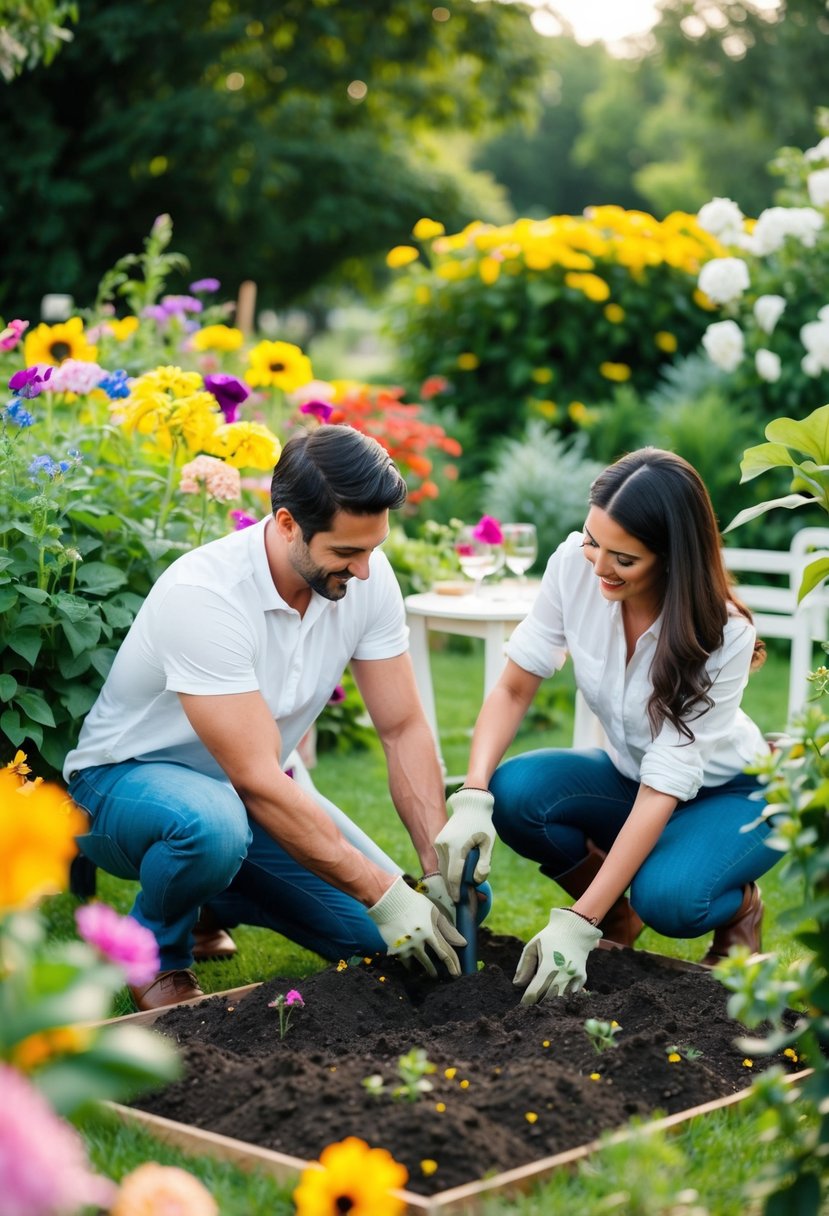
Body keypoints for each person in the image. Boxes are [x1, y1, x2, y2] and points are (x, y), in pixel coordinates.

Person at [64, 425, 466, 1010]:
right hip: (121, 789)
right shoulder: (207, 596)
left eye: (373, 549)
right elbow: (255, 776)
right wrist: (384, 891)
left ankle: (212, 899)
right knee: (212, 827)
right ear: (286, 525)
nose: (363, 571)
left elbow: (401, 727)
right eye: (347, 552)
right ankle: (152, 948)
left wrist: (433, 867)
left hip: (250, 796)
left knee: (381, 941)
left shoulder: (366, 580)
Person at [434, 448, 780, 1004]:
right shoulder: (575, 563)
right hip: (631, 775)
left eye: (624, 558)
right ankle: (616, 916)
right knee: (515, 793)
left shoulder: (723, 632)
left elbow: (667, 781)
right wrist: (472, 794)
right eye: (593, 541)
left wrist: (576, 921)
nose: (597, 568)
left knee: (669, 899)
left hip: (731, 791)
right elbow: (514, 686)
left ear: (671, 557)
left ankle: (740, 909)